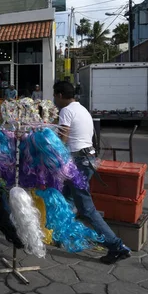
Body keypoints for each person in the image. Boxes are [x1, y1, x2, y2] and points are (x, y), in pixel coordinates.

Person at [53, 81, 131, 264]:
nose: (55, 100)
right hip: (86, 159)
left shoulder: (66, 111)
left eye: (55, 96)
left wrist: (48, 150)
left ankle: (116, 246)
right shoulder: (81, 109)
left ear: (60, 95)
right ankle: (62, 235)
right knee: (66, 199)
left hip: (77, 162)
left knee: (86, 208)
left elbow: (62, 139)